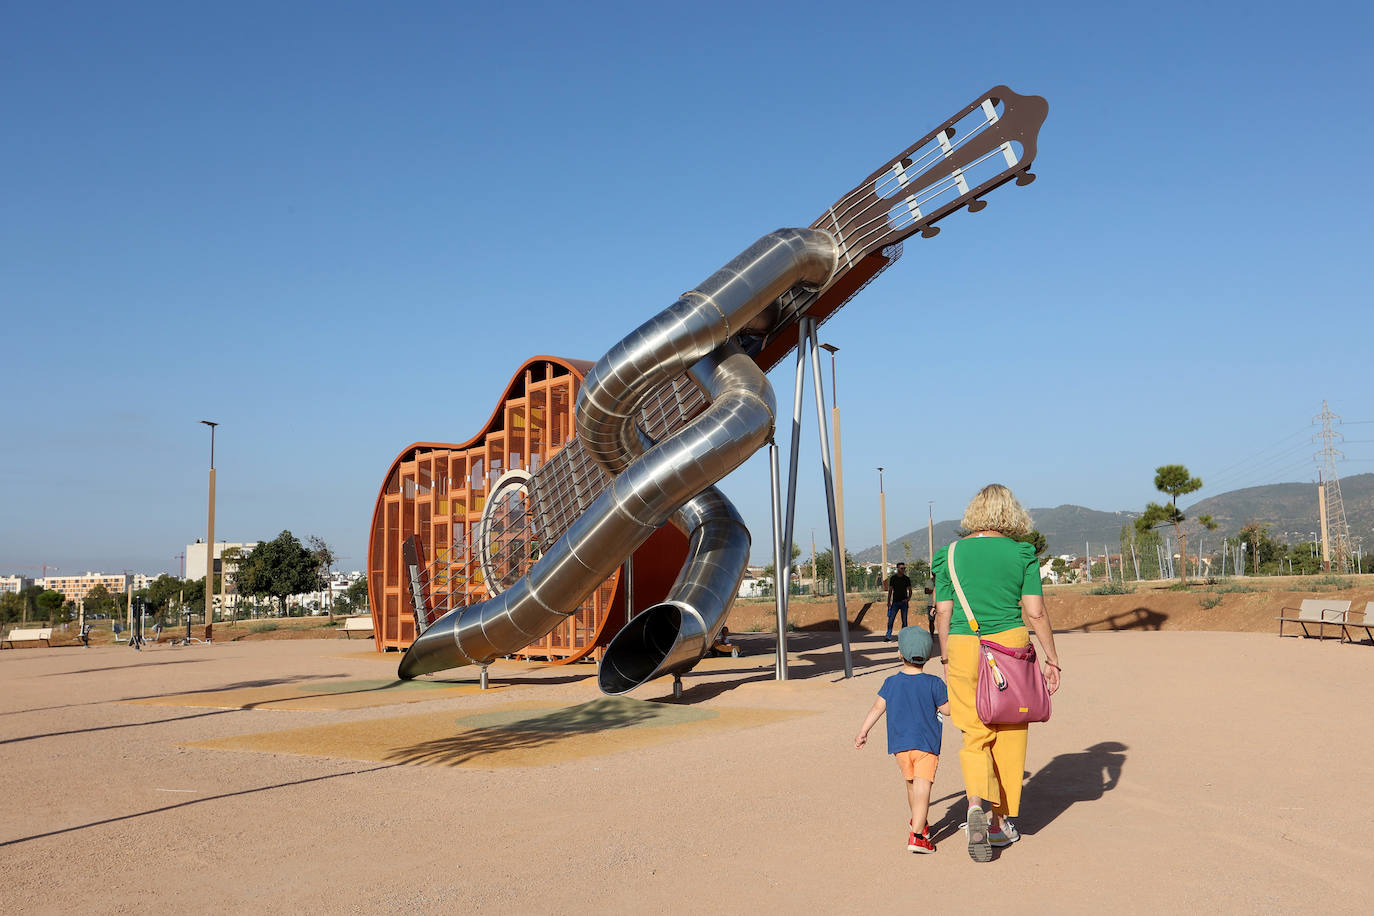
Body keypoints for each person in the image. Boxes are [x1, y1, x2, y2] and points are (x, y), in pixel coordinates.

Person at [931, 483, 1062, 863]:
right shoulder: (1022, 552)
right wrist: (1053, 660)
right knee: (1008, 731)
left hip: (961, 646)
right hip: (1009, 647)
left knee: (974, 733)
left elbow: (943, 612)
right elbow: (1035, 612)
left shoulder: (949, 554)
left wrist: (945, 657)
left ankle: (974, 802)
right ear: (1011, 513)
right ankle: (997, 824)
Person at [855, 626, 950, 853]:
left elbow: (877, 708)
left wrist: (863, 731)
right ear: (928, 656)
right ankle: (917, 836)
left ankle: (919, 822)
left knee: (911, 785)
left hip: (900, 747)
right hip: (926, 745)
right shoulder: (934, 683)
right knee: (923, 786)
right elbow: (947, 710)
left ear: (900, 654)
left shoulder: (891, 682)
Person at [884, 562, 913, 641]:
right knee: (891, 619)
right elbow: (890, 590)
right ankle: (888, 635)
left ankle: (904, 636)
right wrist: (888, 601)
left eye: (904, 568)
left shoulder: (906, 579)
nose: (903, 570)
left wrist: (908, 598)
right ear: (897, 569)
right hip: (895, 602)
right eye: (901, 568)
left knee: (904, 620)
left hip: (904, 602)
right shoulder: (893, 578)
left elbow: (910, 590)